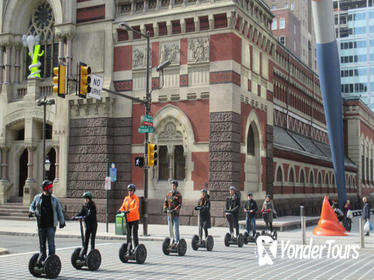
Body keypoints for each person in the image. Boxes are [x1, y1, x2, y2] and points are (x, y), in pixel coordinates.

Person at [29, 180, 65, 262]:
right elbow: (32, 206)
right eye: (50, 188)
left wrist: (62, 222)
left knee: (51, 244)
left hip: (51, 225)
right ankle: (43, 260)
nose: (51, 189)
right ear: (45, 188)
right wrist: (31, 211)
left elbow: (59, 211)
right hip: (41, 225)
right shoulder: (37, 198)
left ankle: (51, 261)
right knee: (42, 245)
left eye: (51, 187)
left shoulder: (54, 199)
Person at [72, 192, 97, 257]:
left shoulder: (92, 206)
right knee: (86, 240)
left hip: (93, 225)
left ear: (89, 199)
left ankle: (92, 253)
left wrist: (85, 216)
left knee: (92, 239)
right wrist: (75, 217)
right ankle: (84, 252)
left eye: (87, 199)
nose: (85, 200)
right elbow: (81, 213)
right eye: (85, 199)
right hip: (87, 225)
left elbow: (91, 214)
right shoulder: (85, 205)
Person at [118, 184, 140, 249]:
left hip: (135, 219)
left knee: (134, 234)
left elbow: (135, 208)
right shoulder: (126, 198)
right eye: (129, 190)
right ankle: (129, 249)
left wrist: (129, 211)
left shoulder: (136, 199)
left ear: (133, 191)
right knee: (128, 235)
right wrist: (120, 210)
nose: (130, 192)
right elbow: (123, 206)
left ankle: (136, 248)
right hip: (128, 219)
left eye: (131, 190)